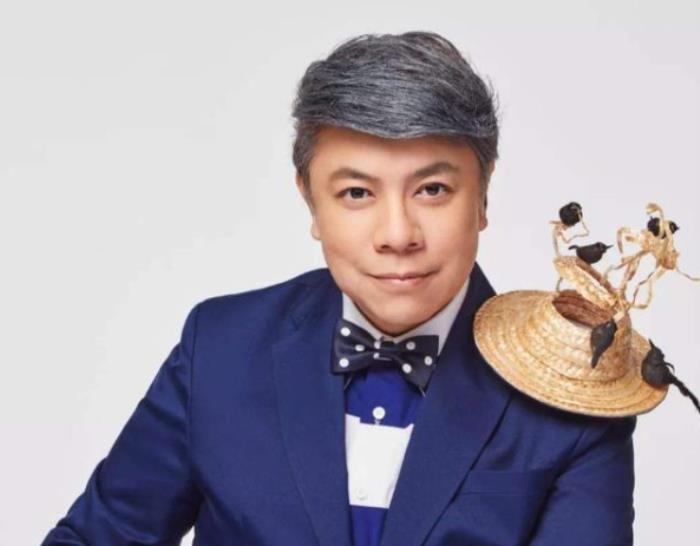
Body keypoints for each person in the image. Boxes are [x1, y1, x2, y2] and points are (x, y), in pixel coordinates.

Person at [41, 31, 636, 546]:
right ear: (310, 200)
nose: (397, 235)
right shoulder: (219, 347)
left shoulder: (578, 390)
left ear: (482, 196)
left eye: (432, 190)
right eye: (356, 193)